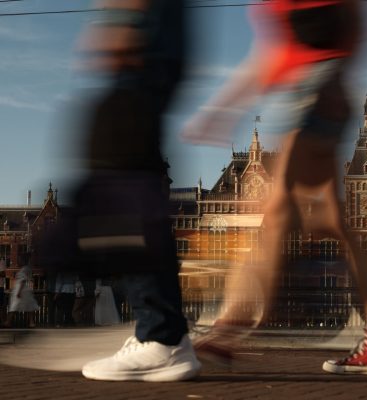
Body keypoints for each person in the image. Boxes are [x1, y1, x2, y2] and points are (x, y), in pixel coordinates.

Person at [183, 0, 367, 375]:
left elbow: (270, 54)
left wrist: (224, 106)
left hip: (310, 94)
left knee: (277, 211)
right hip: (332, 93)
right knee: (338, 223)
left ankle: (228, 329)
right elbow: (357, 24)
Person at [42, 0, 200, 381]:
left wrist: (119, 16)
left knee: (120, 162)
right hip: (154, 29)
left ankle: (161, 336)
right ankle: (164, 334)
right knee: (131, 166)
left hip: (149, 29)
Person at [4, 257, 39, 328]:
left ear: (23, 261)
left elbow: (22, 281)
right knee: (29, 305)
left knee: (14, 305)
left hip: (21, 289)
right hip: (24, 289)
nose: (18, 262)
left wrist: (19, 291)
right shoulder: (27, 268)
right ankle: (31, 322)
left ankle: (8, 322)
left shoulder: (24, 269)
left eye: (19, 260)